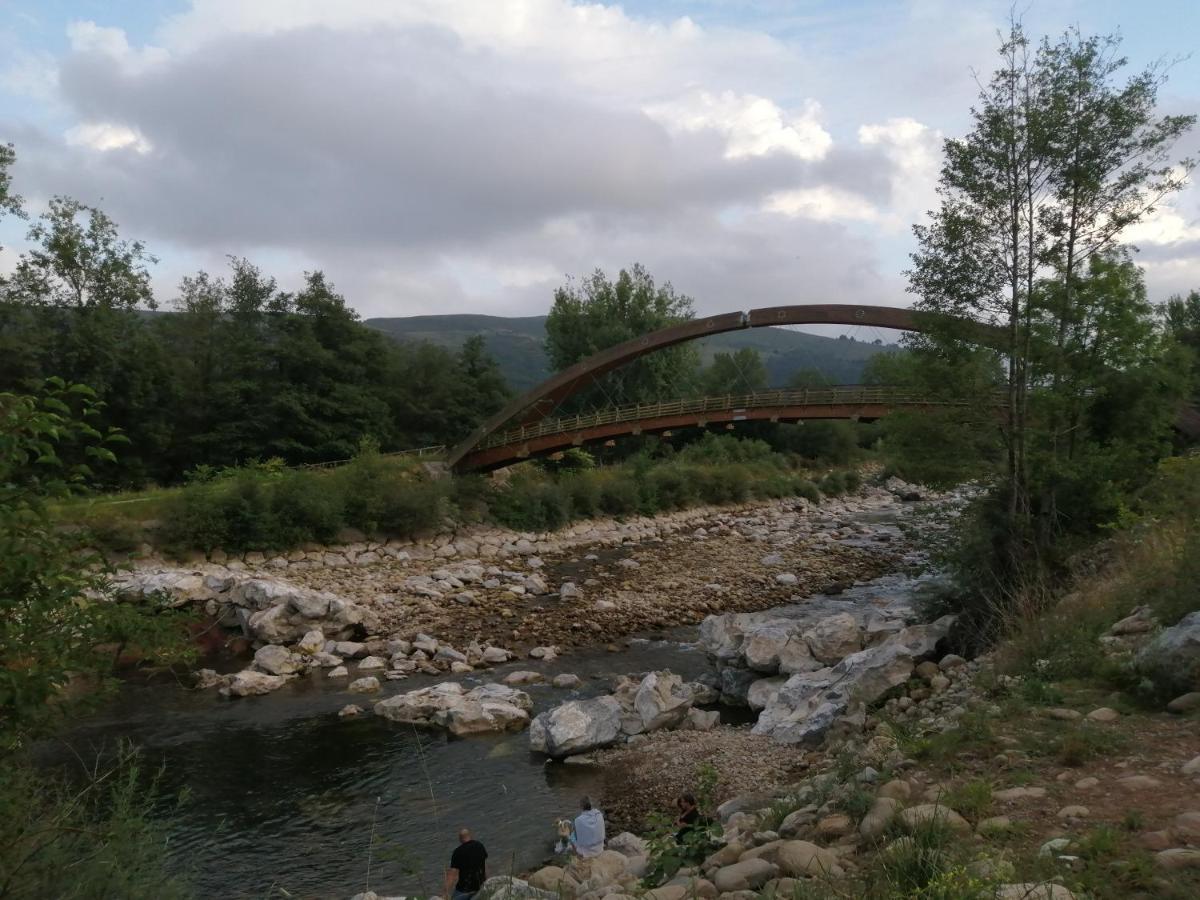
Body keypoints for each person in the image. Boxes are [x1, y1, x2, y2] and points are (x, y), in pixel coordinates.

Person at [444, 828, 488, 900]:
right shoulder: (480, 846)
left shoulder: (458, 852)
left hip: (464, 890)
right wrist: (486, 883)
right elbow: (485, 867)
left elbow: (452, 875)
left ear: (460, 839)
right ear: (470, 835)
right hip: (479, 887)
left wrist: (444, 893)